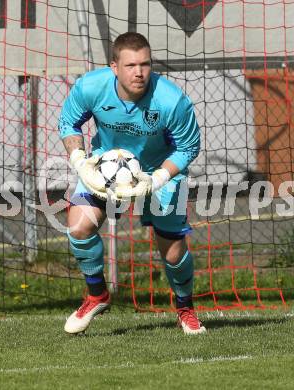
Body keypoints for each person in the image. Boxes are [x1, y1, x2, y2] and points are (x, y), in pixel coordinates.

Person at [58, 32, 206, 335]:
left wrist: (159, 178)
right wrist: (80, 164)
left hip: (161, 171)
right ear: (114, 67)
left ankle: (185, 308)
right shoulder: (91, 87)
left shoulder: (171, 100)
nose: (139, 72)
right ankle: (97, 294)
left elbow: (188, 147)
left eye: (145, 64)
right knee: (78, 226)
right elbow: (68, 122)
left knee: (173, 251)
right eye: (130, 65)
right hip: (105, 168)